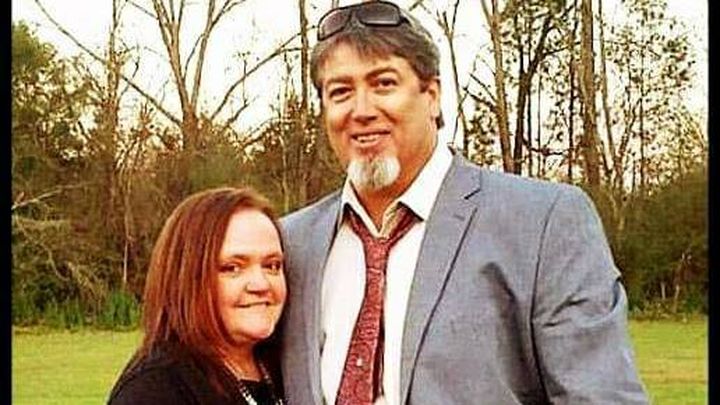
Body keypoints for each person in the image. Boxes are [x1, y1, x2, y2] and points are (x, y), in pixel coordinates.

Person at [279, 1, 648, 404]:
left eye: (383, 83)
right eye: (340, 92)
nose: (362, 110)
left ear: (432, 96)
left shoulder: (542, 224)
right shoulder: (288, 246)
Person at [108, 187, 286, 405]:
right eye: (232, 268)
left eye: (272, 266)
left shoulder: (287, 367)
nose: (261, 284)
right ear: (187, 276)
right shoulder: (156, 390)